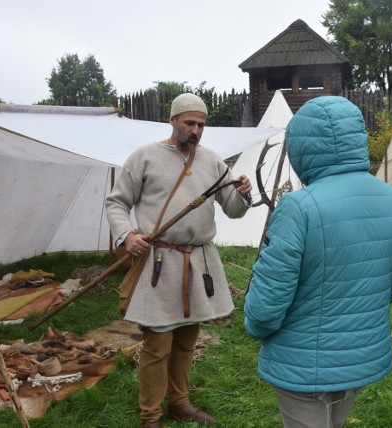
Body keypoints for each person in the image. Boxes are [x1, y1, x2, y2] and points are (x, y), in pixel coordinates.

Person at [244, 96, 392, 428]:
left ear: (303, 147)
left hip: (302, 362)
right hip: (360, 355)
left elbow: (264, 309)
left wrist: (256, 328)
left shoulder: (299, 207)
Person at [105, 93, 252, 428]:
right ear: (172, 121)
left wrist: (243, 194)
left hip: (198, 263)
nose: (196, 130)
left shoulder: (213, 161)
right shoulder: (145, 157)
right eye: (190, 122)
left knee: (187, 339)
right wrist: (127, 235)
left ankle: (179, 402)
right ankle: (151, 416)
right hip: (160, 263)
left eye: (201, 124)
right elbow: (116, 203)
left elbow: (233, 208)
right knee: (157, 343)